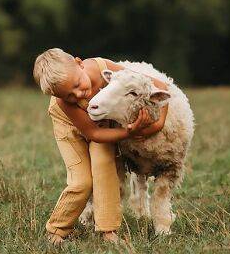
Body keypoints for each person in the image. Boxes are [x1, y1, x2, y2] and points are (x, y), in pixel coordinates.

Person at [33, 48, 169, 244]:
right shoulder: (65, 103)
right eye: (69, 95)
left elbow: (159, 85)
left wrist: (158, 123)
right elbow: (93, 134)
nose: (78, 94)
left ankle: (108, 231)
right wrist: (130, 131)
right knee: (82, 182)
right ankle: (56, 229)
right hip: (72, 130)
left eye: (78, 84)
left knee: (105, 168)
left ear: (80, 63)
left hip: (101, 122)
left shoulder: (103, 67)